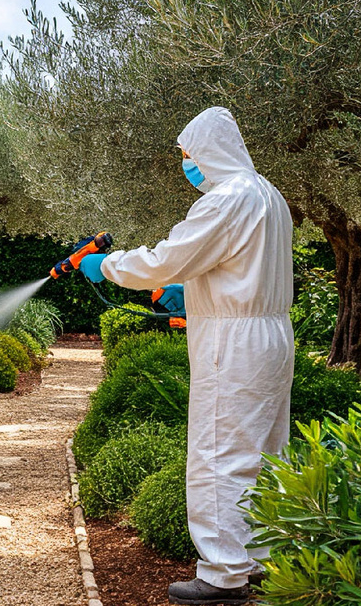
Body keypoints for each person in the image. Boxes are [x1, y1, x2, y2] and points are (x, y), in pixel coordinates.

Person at [80, 106, 294, 605]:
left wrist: (106, 265)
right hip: (270, 332)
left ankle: (222, 574)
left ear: (207, 152)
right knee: (263, 449)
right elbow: (234, 263)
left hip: (232, 341)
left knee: (218, 450)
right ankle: (261, 556)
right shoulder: (268, 194)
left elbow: (165, 259)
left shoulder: (226, 199)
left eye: (187, 155)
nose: (186, 165)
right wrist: (193, 290)